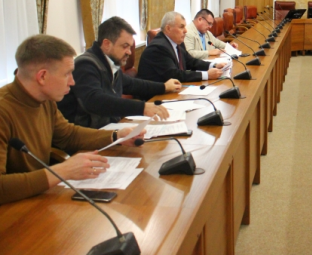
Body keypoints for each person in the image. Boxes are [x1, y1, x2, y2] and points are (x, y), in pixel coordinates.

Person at [0, 35, 145, 205]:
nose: (72, 82)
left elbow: (68, 135)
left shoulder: (44, 99)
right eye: (67, 74)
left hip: (38, 198)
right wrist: (62, 171)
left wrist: (116, 136)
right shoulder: (4, 110)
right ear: (42, 76)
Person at [58, 17, 180, 129]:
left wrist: (164, 87)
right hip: (88, 137)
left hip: (110, 129)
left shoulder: (109, 63)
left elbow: (132, 84)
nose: (129, 52)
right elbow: (95, 100)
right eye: (125, 46)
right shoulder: (85, 65)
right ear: (107, 44)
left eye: (130, 47)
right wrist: (142, 108)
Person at [137, 11, 227, 83]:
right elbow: (174, 74)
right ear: (168, 28)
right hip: (155, 96)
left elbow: (191, 62)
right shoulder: (158, 48)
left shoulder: (178, 42)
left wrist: (213, 65)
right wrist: (206, 75)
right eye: (181, 27)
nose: (186, 31)